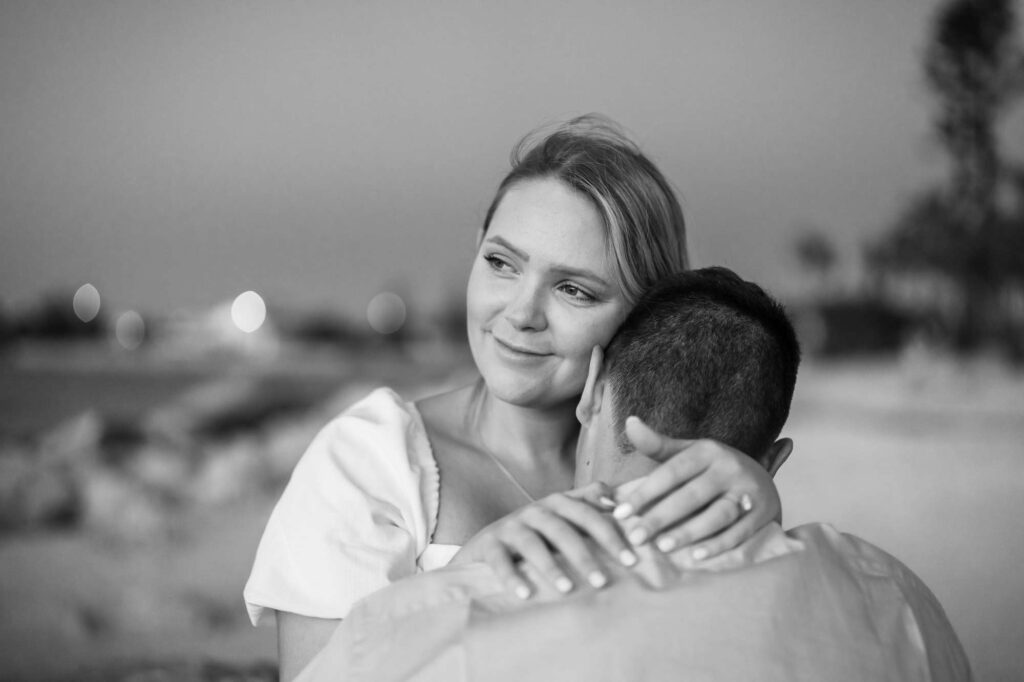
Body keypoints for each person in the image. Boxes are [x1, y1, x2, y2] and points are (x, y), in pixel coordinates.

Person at [244, 116, 788, 681]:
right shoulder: (369, 462)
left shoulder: (656, 464)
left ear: (644, 317)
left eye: (573, 289)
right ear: (476, 250)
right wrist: (463, 578)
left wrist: (764, 514)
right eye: (502, 263)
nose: (520, 313)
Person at [293, 268, 971, 682]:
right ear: (771, 463)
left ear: (591, 393)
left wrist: (455, 583)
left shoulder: (437, 620)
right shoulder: (902, 600)